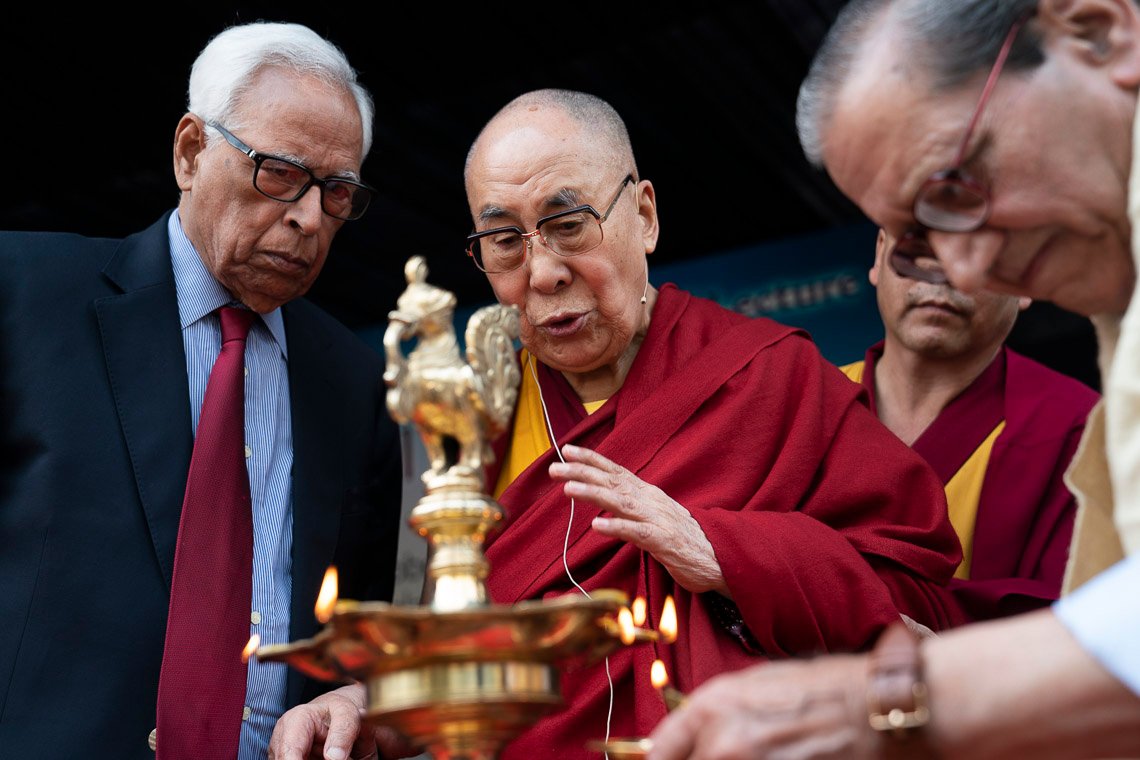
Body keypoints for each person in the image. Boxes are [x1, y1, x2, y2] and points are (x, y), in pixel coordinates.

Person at [270, 88, 968, 760]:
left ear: (645, 215)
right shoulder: (479, 422)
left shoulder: (771, 376)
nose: (543, 272)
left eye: (569, 223)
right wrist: (365, 705)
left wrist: (725, 555)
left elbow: (924, 614)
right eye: (505, 241)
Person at [647, 1, 1140, 757]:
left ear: (1098, 32)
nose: (963, 268)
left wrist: (888, 701)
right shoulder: (804, 395)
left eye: (956, 189)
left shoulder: (1070, 417)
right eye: (914, 242)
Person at [0, 21, 404, 760]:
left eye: (337, 192)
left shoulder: (353, 385)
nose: (308, 217)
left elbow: (361, 635)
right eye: (279, 172)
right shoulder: (24, 294)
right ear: (190, 152)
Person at [839, 228, 1100, 621]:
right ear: (880, 254)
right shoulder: (804, 398)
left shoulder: (1080, 429)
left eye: (976, 252)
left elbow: (1082, 623)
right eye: (917, 247)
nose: (942, 274)